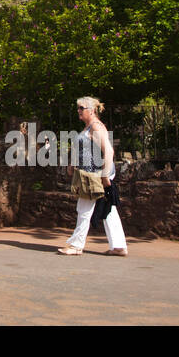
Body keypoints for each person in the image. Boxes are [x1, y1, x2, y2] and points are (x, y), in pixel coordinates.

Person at [58, 96, 128, 256]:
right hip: (89, 173)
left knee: (84, 208)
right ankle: (119, 246)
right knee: (108, 209)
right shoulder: (88, 127)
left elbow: (109, 151)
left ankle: (76, 245)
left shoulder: (96, 127)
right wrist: (72, 164)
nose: (78, 111)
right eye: (78, 108)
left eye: (81, 108)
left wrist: (105, 175)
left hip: (94, 175)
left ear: (92, 110)